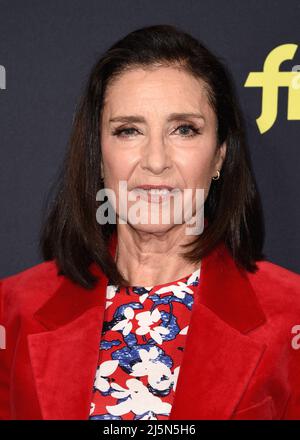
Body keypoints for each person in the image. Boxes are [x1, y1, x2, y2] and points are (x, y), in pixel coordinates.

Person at [0, 24, 300, 421]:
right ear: (99, 154)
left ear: (219, 156)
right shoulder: (13, 308)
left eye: (184, 130)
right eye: (129, 130)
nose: (155, 160)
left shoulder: (291, 314)